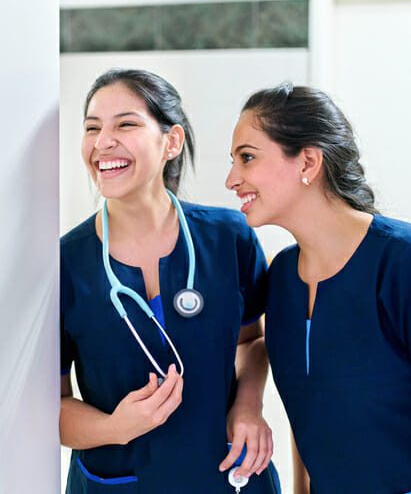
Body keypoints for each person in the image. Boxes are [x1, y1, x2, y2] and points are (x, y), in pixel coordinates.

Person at [225, 83, 411, 493]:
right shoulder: (281, 280)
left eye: (247, 158)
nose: (231, 179)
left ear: (307, 162)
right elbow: (311, 416)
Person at [60, 69, 281, 493]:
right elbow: (49, 409)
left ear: (171, 142)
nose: (103, 141)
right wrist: (114, 427)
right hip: (118, 480)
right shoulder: (64, 263)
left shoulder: (228, 237)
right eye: (92, 128)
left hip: (227, 475)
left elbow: (250, 341)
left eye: (125, 123)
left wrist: (248, 406)